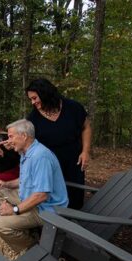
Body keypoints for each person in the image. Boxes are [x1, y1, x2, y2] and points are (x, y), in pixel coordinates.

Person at [0, 119, 68, 253]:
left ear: (24, 136)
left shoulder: (40, 156)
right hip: (30, 199)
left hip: (45, 209)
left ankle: (32, 248)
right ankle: (23, 227)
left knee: (0, 224)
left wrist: (14, 210)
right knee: (1, 189)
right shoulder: (25, 152)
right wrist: (6, 184)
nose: (8, 141)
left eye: (11, 136)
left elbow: (41, 195)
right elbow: (23, 180)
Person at [26, 78, 92, 209]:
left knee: (75, 195)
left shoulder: (73, 107)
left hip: (74, 160)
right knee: (51, 195)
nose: (33, 102)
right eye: (31, 99)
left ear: (45, 93)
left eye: (34, 98)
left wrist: (85, 151)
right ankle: (51, 226)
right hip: (49, 163)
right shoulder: (33, 118)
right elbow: (29, 143)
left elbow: (86, 127)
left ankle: (74, 225)